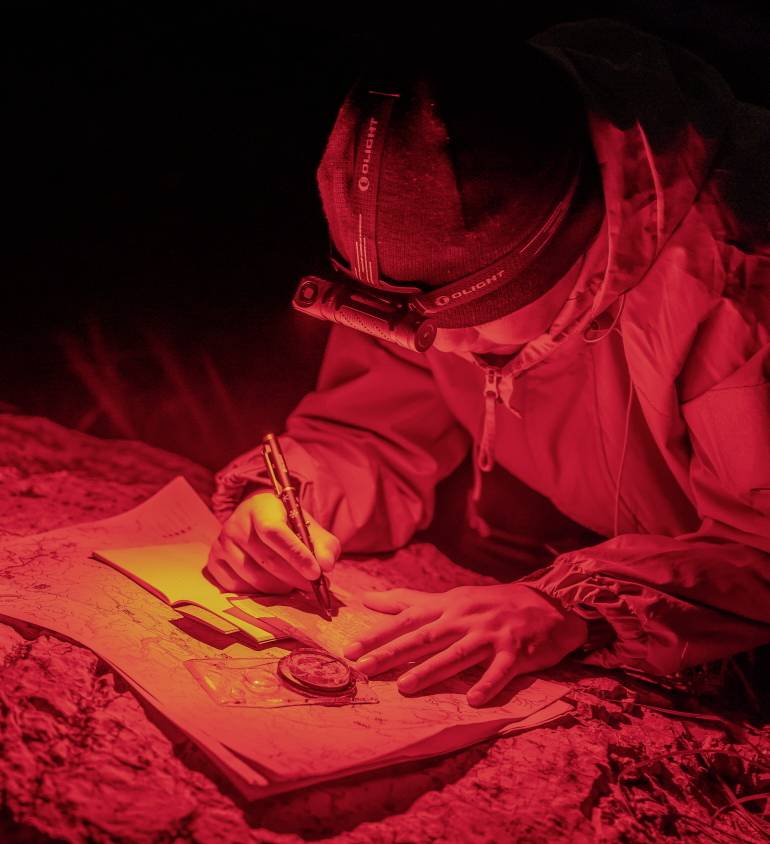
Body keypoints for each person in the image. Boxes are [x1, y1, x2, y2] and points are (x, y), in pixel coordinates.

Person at [208, 20, 770, 707]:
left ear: (580, 255)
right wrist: (296, 495)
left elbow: (761, 551)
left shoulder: (737, 291)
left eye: (463, 325)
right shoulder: (426, 274)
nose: (437, 348)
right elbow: (375, 430)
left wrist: (571, 608)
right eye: (407, 324)